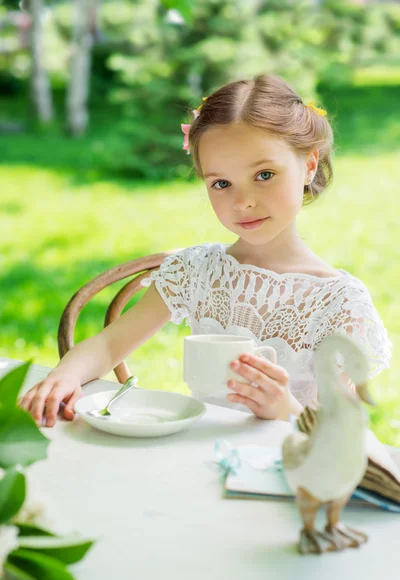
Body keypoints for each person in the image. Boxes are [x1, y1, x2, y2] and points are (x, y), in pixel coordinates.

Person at [20, 73, 392, 428]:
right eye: (221, 183)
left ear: (309, 164)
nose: (243, 202)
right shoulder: (197, 272)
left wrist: (284, 408)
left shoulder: (338, 304)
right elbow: (108, 346)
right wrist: (63, 376)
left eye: (264, 175)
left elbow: (344, 438)